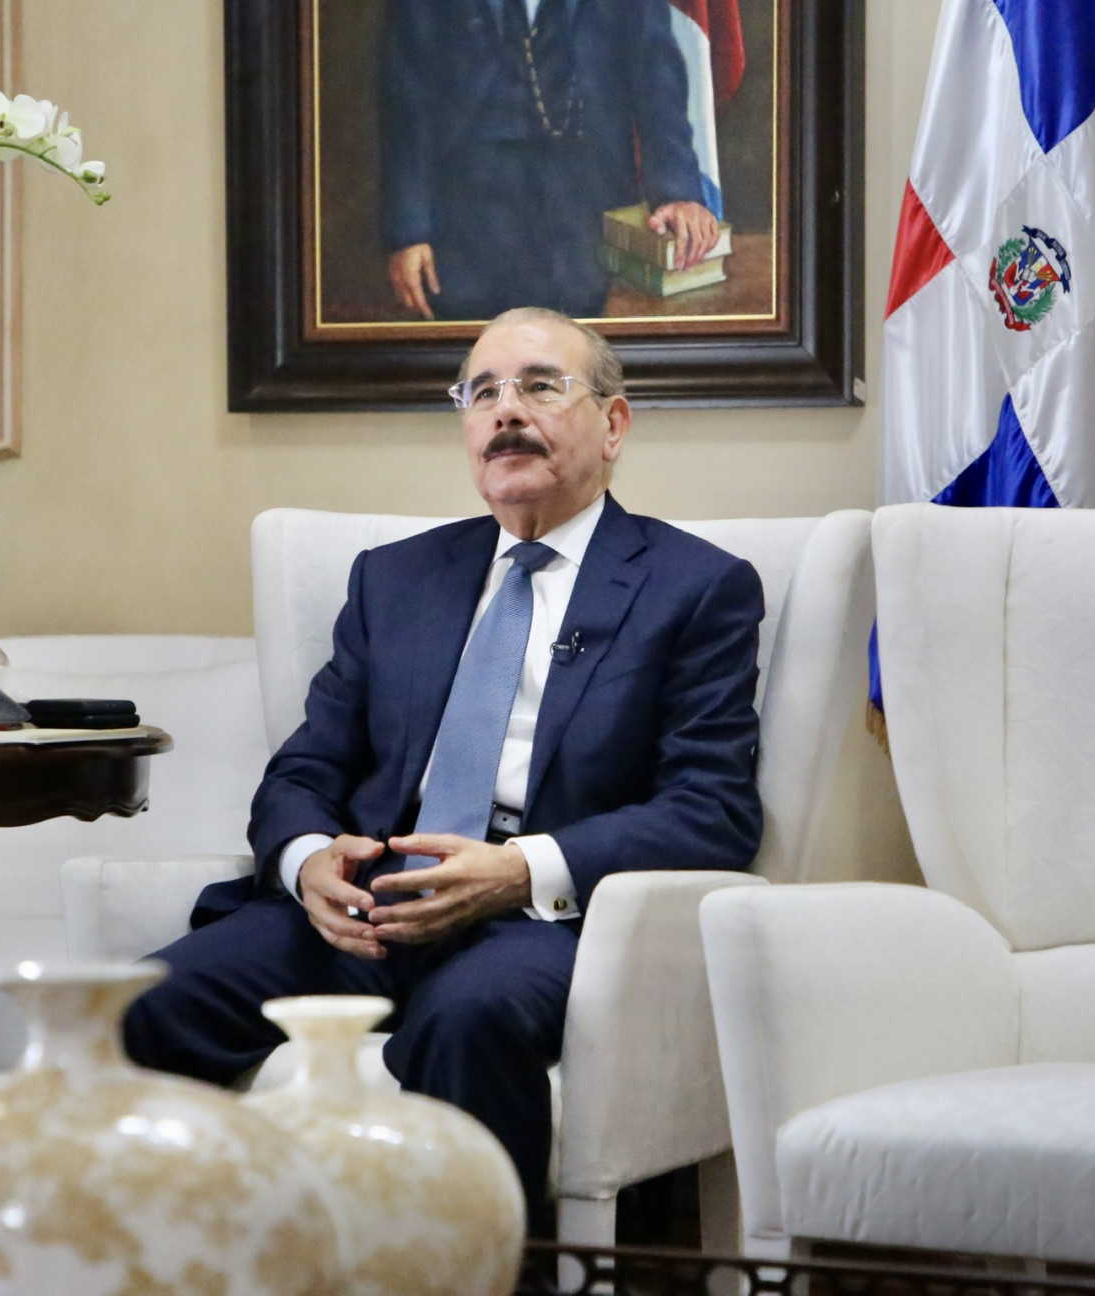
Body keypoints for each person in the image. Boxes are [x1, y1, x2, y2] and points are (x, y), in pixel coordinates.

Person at [124, 307, 764, 1236]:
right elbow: (304, 769)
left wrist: (518, 870)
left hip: (543, 921)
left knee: (468, 1018)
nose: (506, 411)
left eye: (540, 386)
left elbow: (712, 810)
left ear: (613, 424)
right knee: (138, 1007)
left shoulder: (695, 586)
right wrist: (307, 862)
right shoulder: (394, 579)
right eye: (482, 392)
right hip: (369, 909)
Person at [380, 0, 723, 321]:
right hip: (464, 213)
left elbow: (655, 71)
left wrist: (677, 191)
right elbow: (408, 92)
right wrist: (408, 231)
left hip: (588, 205)